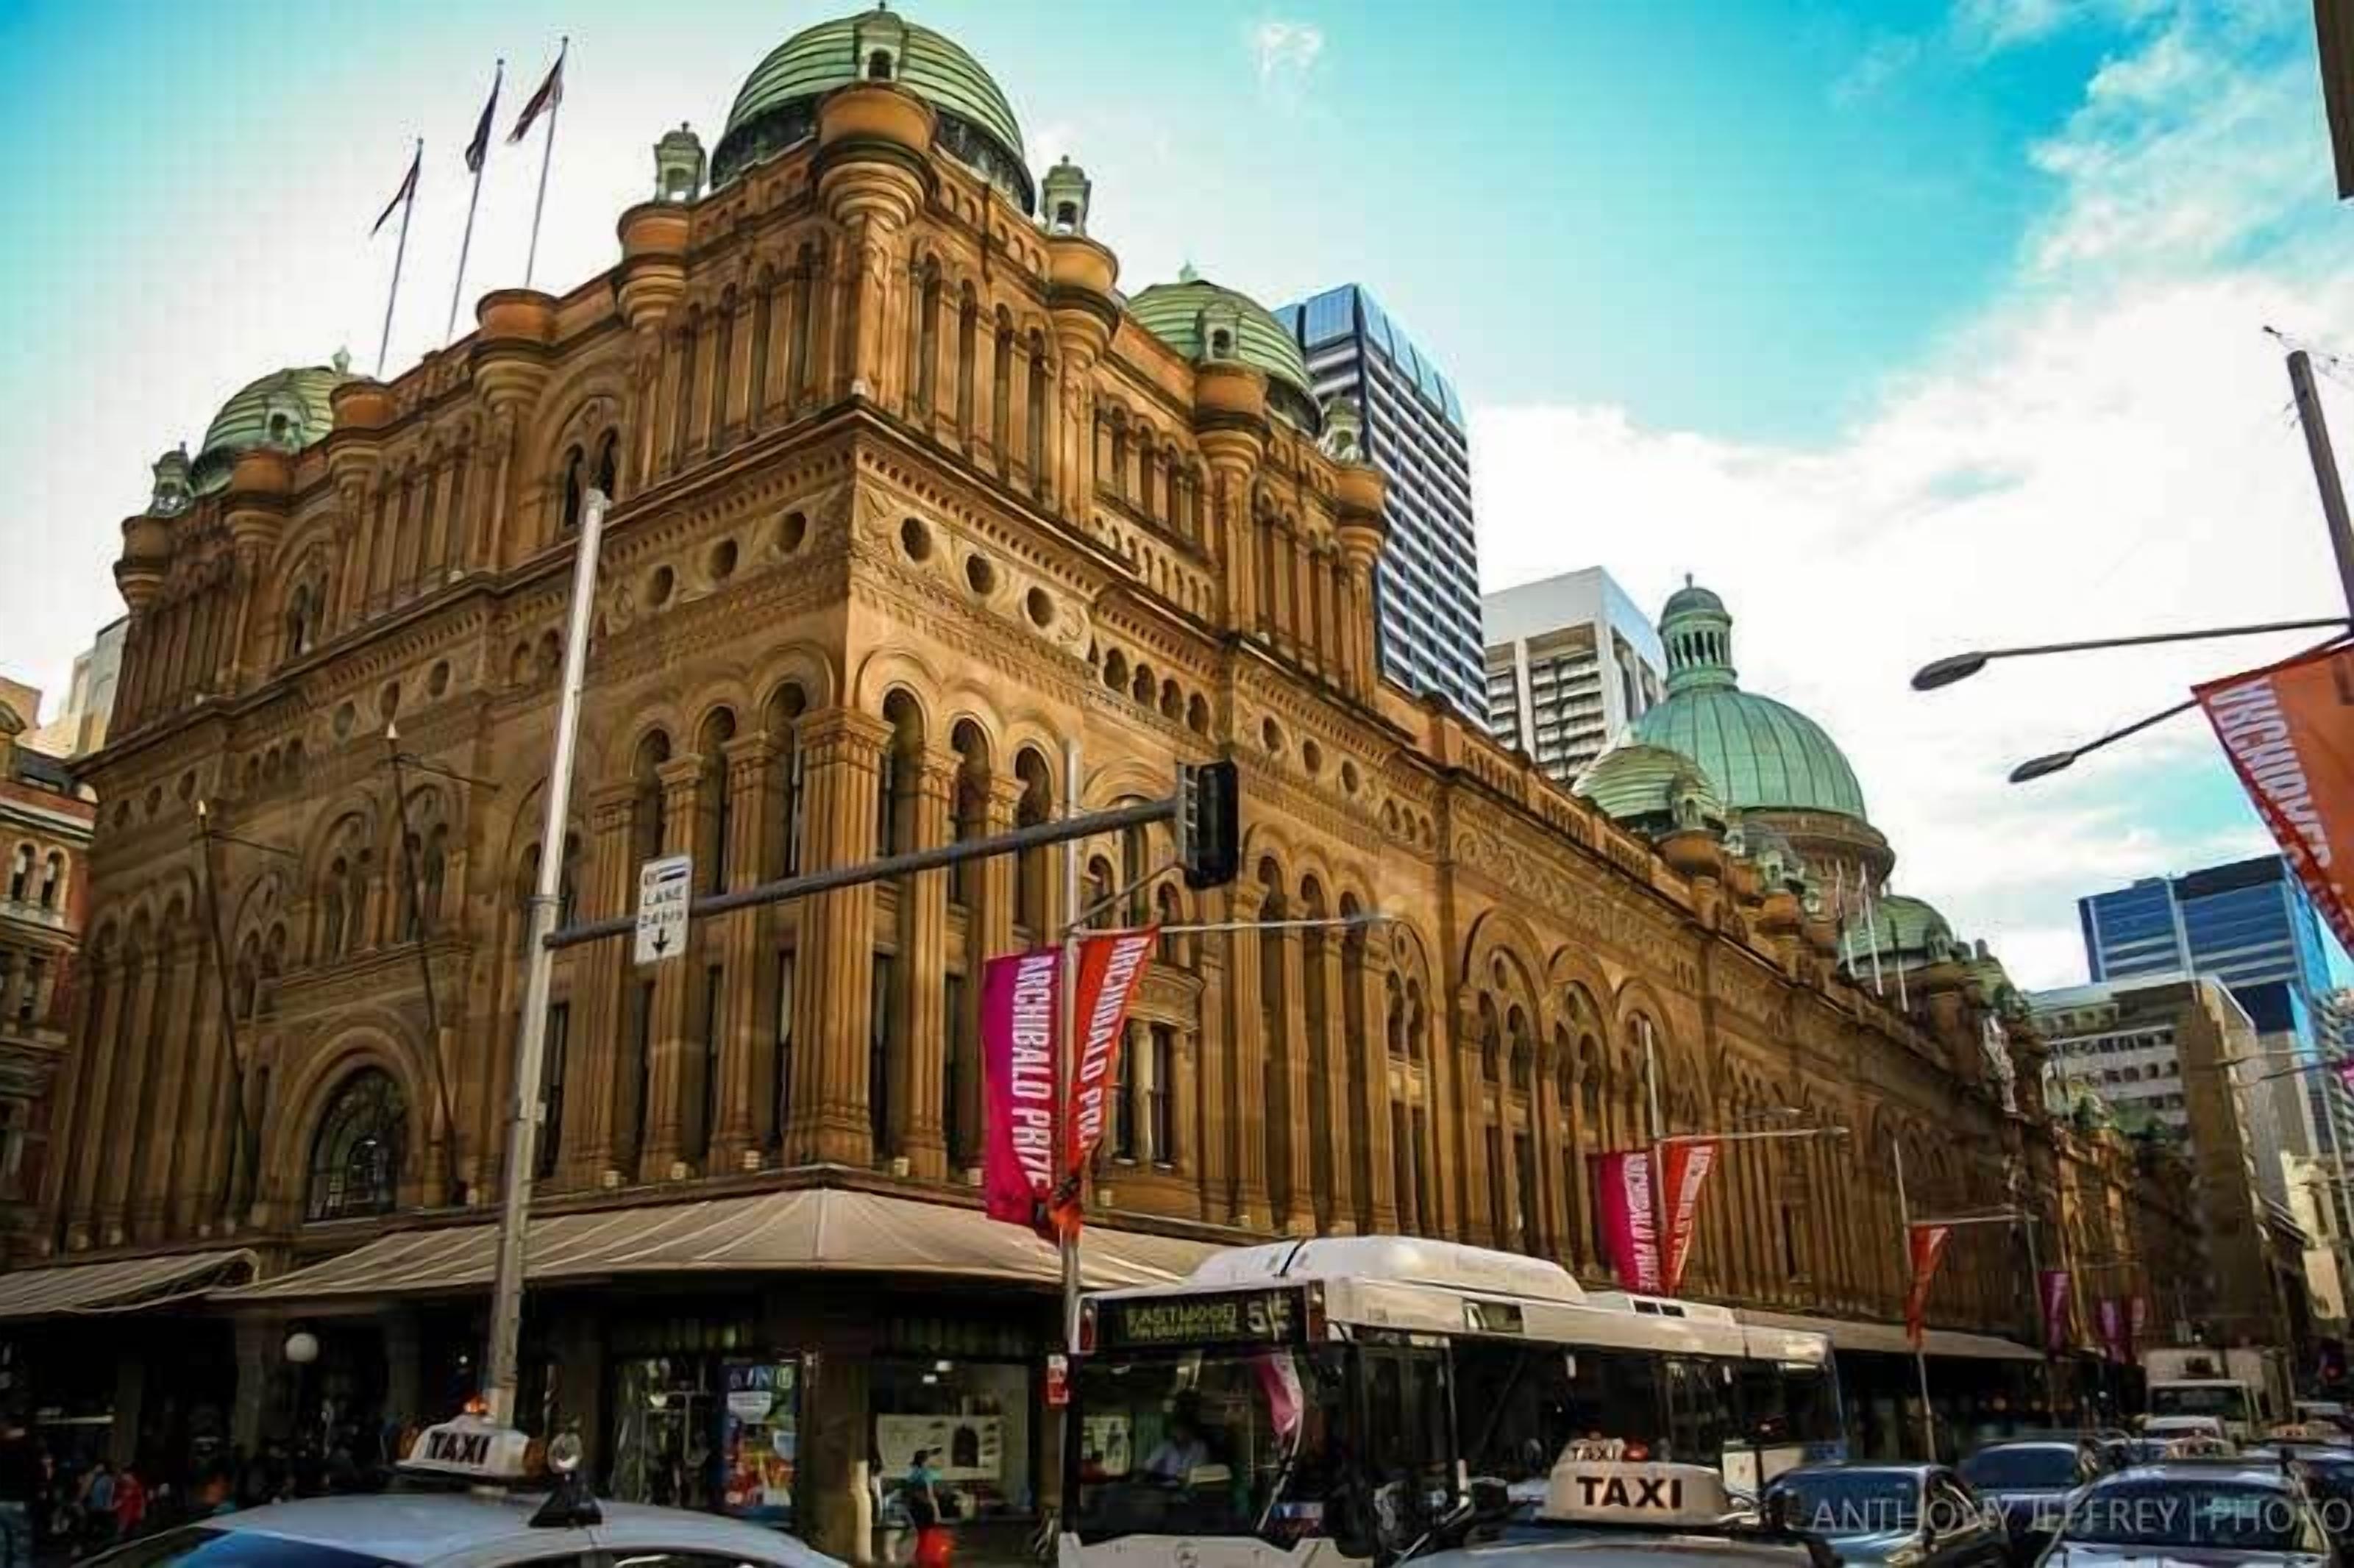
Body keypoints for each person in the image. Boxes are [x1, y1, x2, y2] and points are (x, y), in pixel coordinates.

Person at [0, 1417, 39, 1568]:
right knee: (21, 1549)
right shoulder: (27, 1448)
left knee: (1, 1548)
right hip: (18, 1500)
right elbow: (36, 1474)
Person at [1142, 1414, 1209, 1483]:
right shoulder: (1166, 1446)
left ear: (1190, 1430)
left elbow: (1201, 1470)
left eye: (1183, 1429)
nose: (1180, 1432)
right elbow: (1149, 1465)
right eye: (1177, 1429)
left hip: (1191, 1487)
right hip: (1165, 1487)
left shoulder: (1200, 1447)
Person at [113, 1464, 147, 1540]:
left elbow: (141, 1499)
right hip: (127, 1512)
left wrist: (142, 1509)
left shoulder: (136, 1488)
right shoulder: (122, 1487)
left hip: (133, 1512)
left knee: (132, 1529)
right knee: (125, 1529)